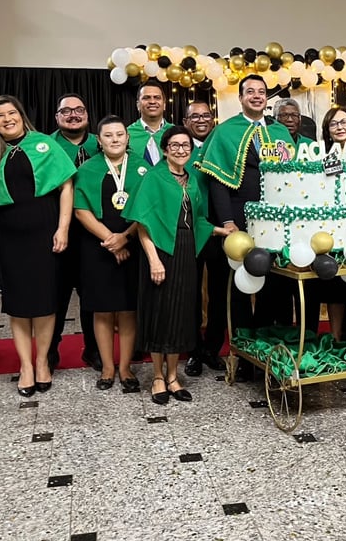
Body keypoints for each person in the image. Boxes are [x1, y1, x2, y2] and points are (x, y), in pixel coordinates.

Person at [195, 75, 294, 379]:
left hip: (273, 222)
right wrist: (228, 222)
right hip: (237, 219)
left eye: (261, 92)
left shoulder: (280, 131)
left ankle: (263, 352)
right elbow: (217, 182)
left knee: (270, 285)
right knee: (237, 287)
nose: (256, 96)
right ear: (240, 98)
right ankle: (241, 353)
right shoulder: (225, 131)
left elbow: (292, 178)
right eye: (250, 91)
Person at [124, 126, 229, 404]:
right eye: (175, 145)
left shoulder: (192, 179)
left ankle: (173, 376)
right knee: (160, 313)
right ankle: (158, 377)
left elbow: (199, 220)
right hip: (160, 250)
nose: (181, 150)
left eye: (186, 146)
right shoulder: (153, 178)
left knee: (180, 314)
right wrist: (154, 260)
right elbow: (142, 224)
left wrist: (222, 231)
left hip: (185, 251)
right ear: (165, 149)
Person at [0, 95, 75, 398]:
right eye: (0, 115)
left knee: (45, 301)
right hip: (6, 236)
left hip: (44, 231)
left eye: (12, 113)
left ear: (22, 116)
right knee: (18, 303)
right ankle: (25, 366)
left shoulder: (45, 144)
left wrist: (63, 228)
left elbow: (66, 186)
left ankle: (42, 361)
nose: (7, 119)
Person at [74, 116, 146, 391]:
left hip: (134, 243)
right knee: (102, 310)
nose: (115, 139)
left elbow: (149, 208)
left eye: (119, 134)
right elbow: (81, 210)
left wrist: (124, 238)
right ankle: (106, 367)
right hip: (97, 247)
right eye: (108, 135)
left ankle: (125, 367)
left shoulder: (142, 167)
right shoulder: (88, 169)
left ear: (128, 138)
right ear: (99, 140)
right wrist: (110, 240)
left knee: (128, 310)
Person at [49, 93, 100, 373]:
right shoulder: (46, 146)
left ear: (87, 115)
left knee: (92, 294)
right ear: (57, 117)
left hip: (93, 233)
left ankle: (93, 349)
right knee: (55, 295)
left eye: (79, 110)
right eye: (66, 111)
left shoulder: (100, 143)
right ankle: (49, 351)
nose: (73, 115)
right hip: (58, 231)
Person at [182, 101, 225, 377]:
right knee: (192, 292)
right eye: (194, 116)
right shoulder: (180, 149)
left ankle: (213, 348)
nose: (201, 120)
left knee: (220, 293)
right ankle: (194, 351)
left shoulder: (222, 146)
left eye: (206, 115)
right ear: (185, 122)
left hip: (221, 229)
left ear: (213, 119)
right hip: (190, 229)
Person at [320, 107, 346, 342]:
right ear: (327, 130)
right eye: (334, 123)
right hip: (332, 232)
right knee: (335, 289)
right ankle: (336, 340)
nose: (340, 127)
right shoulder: (323, 158)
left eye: (344, 122)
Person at [127, 80, 173, 165]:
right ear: (138, 105)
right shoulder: (126, 135)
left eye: (157, 97)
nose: (152, 102)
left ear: (164, 105)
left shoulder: (175, 132)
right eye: (146, 98)